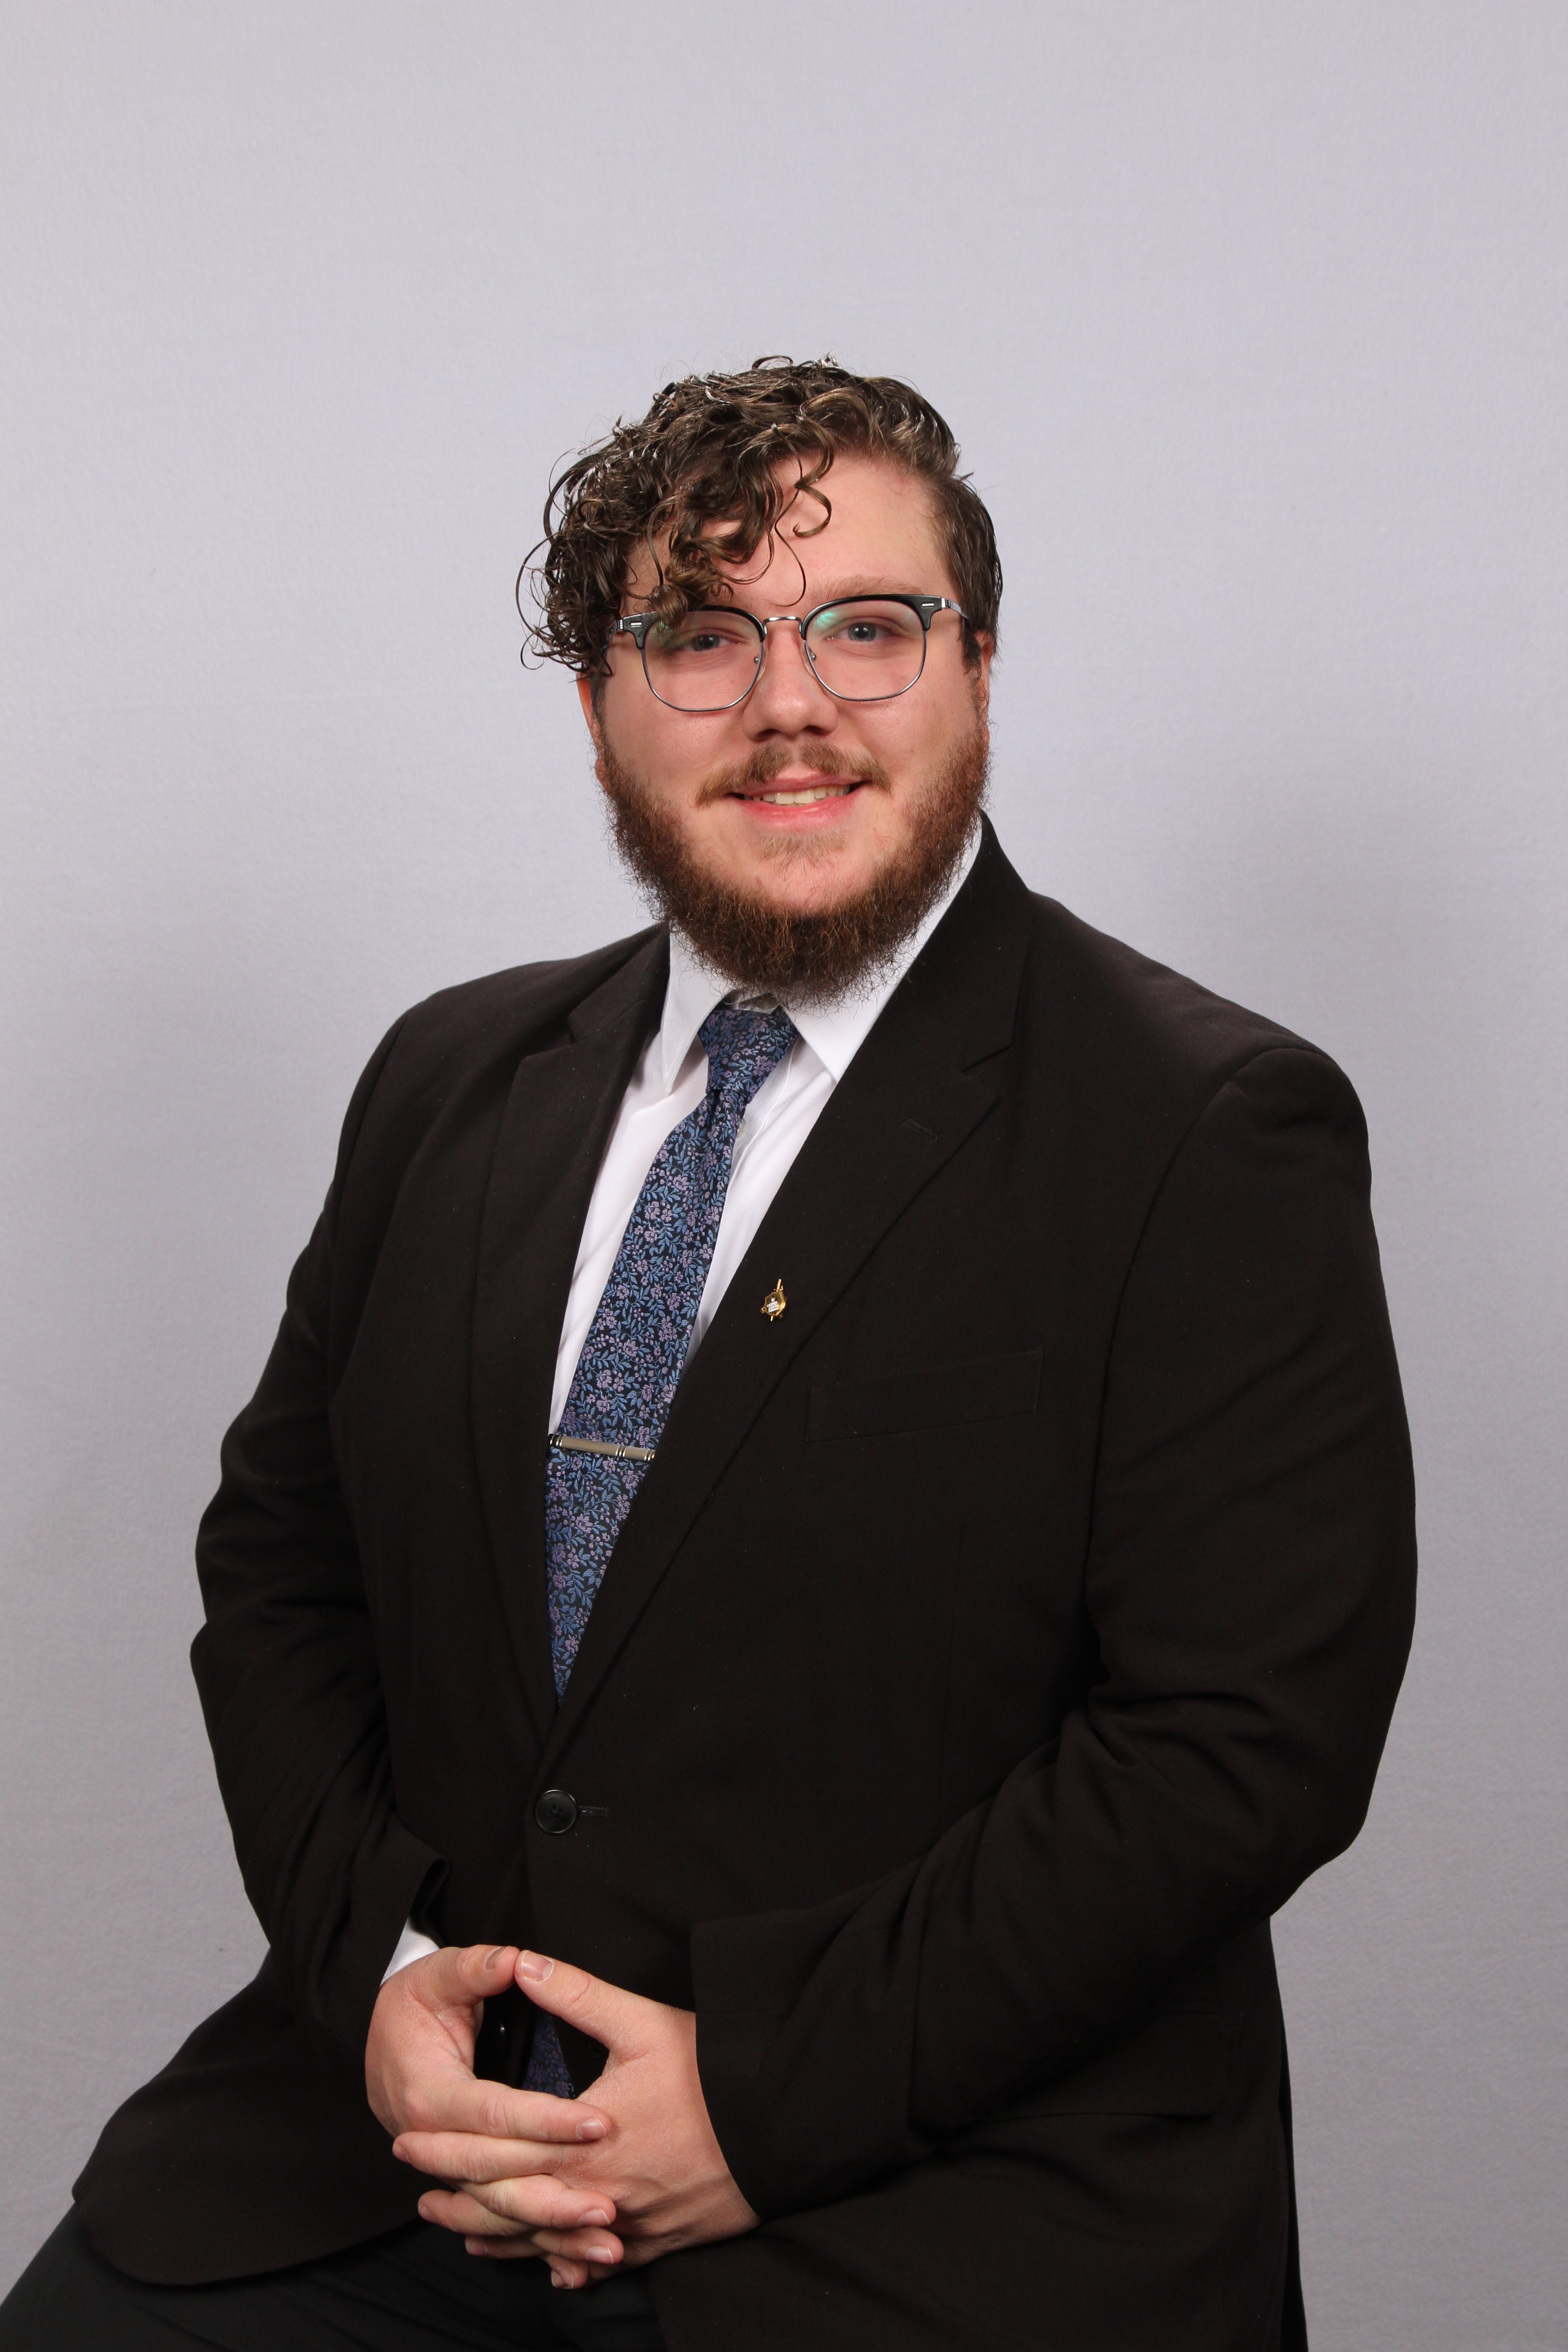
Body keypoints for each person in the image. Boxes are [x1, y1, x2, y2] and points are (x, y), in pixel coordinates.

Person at [1, 358, 1416, 2352]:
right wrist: (382, 1986)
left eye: (869, 628)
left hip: (935, 2198)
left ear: (979, 669)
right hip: (404, 2150)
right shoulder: (448, 1078)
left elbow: (1236, 1746)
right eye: (701, 637)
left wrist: (755, 2098)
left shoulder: (1205, 1127)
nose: (791, 704)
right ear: (601, 705)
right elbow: (280, 1576)